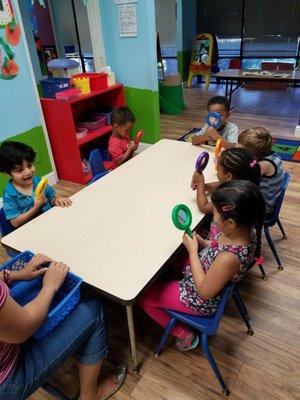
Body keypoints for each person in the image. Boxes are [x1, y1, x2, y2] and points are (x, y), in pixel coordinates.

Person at [140, 180, 265, 351]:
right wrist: (203, 243)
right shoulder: (245, 229)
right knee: (171, 255)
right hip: (208, 268)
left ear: (230, 223)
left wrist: (193, 252)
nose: (213, 215)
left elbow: (204, 292)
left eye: (215, 212)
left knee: (145, 299)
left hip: (202, 297)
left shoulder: (229, 258)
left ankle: (184, 334)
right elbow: (216, 246)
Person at [0, 254, 126, 400]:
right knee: (93, 312)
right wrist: (50, 286)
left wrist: (14, 275)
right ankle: (91, 396)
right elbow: (23, 329)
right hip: (8, 380)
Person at [0, 141, 72, 229]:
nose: (28, 171)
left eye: (29, 165)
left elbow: (52, 198)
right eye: (20, 170)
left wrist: (57, 199)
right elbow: (15, 223)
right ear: (8, 173)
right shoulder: (9, 194)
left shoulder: (38, 181)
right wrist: (36, 208)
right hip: (30, 231)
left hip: (51, 223)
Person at [192, 147, 261, 214]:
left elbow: (204, 207)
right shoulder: (246, 185)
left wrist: (200, 183)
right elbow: (220, 185)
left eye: (218, 169)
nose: (216, 171)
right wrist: (205, 186)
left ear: (228, 176)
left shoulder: (234, 200)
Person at [237, 127, 284, 215]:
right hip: (262, 197)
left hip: (264, 208)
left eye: (240, 150)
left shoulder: (263, 165)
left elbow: (240, 179)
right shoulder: (269, 155)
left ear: (252, 156)